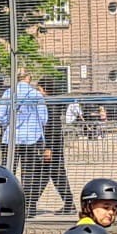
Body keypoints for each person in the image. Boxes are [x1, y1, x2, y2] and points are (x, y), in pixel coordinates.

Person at [0, 67, 47, 197]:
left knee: (8, 171)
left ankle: (6, 198)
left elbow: (0, 117)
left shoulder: (8, 93)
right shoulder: (36, 94)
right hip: (31, 138)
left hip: (10, 138)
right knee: (29, 172)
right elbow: (43, 118)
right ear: (29, 78)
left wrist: (10, 122)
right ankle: (28, 203)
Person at [29, 76, 75, 214]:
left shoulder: (49, 104)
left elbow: (52, 127)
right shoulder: (52, 103)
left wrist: (48, 147)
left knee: (48, 174)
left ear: (44, 89)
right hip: (53, 143)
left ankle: (30, 204)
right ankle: (31, 203)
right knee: (51, 174)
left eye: (39, 89)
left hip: (51, 144)